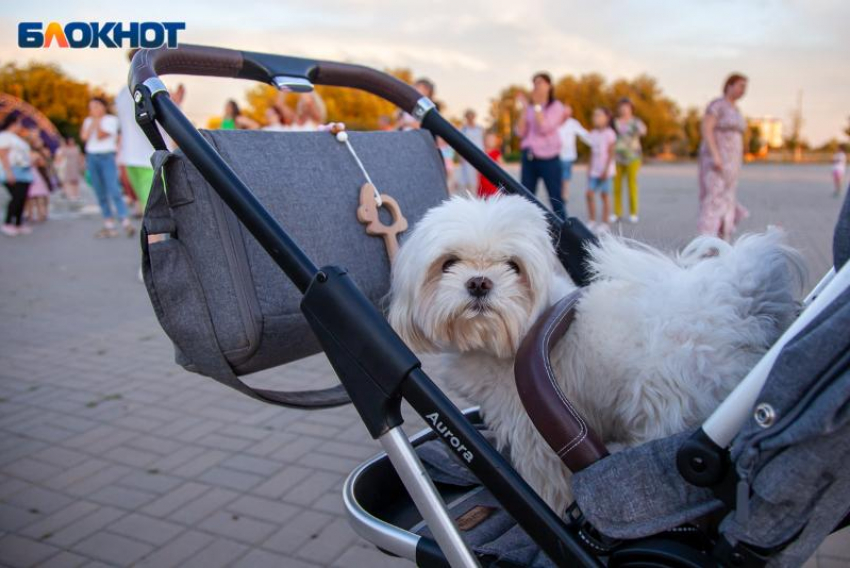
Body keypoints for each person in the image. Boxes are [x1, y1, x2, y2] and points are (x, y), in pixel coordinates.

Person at [698, 73, 749, 240]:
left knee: (728, 199)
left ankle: (722, 238)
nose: (743, 90)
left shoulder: (736, 109)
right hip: (717, 161)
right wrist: (715, 155)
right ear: (729, 85)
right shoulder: (717, 105)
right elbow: (707, 129)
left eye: (745, 87)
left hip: (732, 164)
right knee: (713, 199)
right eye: (740, 86)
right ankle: (706, 242)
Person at [81, 96, 134, 238]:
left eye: (96, 106)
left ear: (103, 107)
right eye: (91, 107)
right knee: (99, 191)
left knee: (114, 189)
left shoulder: (111, 120)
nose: (93, 110)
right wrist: (93, 121)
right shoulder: (87, 121)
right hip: (92, 157)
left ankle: (125, 220)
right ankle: (109, 224)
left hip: (107, 156)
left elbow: (100, 135)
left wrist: (97, 121)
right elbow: (85, 137)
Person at [515, 72, 565, 219]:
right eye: (534, 83)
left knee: (556, 198)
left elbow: (544, 127)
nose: (536, 86)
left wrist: (537, 105)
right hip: (529, 156)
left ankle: (565, 234)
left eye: (540, 82)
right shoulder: (530, 108)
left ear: (549, 86)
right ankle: (525, 231)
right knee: (525, 198)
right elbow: (520, 131)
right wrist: (525, 108)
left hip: (549, 158)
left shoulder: (556, 106)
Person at [612, 97, 647, 224]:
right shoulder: (615, 122)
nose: (623, 109)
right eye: (621, 106)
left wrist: (638, 129)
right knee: (617, 186)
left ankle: (633, 213)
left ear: (631, 108)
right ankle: (617, 213)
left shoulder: (636, 122)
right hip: (617, 157)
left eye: (626, 106)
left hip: (633, 157)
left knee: (632, 184)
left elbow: (644, 131)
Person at [0, 112, 34, 236]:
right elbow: (3, 155)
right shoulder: (5, 136)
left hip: (24, 171)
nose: (20, 125)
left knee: (22, 198)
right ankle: (8, 223)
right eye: (19, 123)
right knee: (16, 198)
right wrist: (8, 172)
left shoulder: (17, 138)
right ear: (13, 123)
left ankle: (18, 223)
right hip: (13, 170)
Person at [585, 108, 617, 233]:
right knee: (589, 194)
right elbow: (592, 153)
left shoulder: (610, 133)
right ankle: (592, 220)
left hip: (606, 171)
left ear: (607, 118)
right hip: (594, 170)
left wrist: (606, 169)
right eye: (594, 115)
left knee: (604, 195)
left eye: (598, 115)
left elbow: (611, 153)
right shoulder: (593, 133)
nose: (595, 118)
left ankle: (605, 222)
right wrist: (589, 169)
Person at [557, 103, 590, 206]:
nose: (567, 115)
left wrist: (595, 142)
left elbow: (583, 133)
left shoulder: (573, 123)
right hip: (556, 155)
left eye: (568, 113)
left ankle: (564, 196)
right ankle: (559, 195)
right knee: (558, 177)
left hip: (568, 156)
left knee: (565, 177)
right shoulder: (555, 122)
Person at [457, 109, 484, 193]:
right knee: (469, 178)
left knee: (479, 176)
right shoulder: (463, 129)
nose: (470, 118)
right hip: (468, 155)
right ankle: (472, 194)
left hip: (480, 154)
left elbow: (483, 140)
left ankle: (479, 193)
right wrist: (460, 155)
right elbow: (460, 143)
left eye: (472, 116)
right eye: (468, 116)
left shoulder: (480, 128)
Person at [25, 143, 51, 223]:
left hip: (26, 175)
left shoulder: (24, 154)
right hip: (34, 176)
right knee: (39, 197)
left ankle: (30, 215)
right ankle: (41, 214)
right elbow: (43, 164)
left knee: (29, 198)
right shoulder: (36, 154)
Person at [55, 137, 83, 203]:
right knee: (68, 180)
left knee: (75, 180)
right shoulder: (65, 149)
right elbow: (60, 157)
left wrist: (81, 164)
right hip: (68, 165)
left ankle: (76, 193)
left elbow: (79, 156)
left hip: (75, 165)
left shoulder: (76, 148)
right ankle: (70, 194)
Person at [478, 132, 503, 198]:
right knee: (482, 197)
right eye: (488, 139)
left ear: (496, 142)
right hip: (483, 181)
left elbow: (501, 166)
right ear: (485, 141)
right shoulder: (482, 153)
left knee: (493, 197)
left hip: (492, 181)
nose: (490, 141)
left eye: (492, 140)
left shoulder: (496, 153)